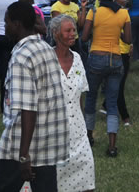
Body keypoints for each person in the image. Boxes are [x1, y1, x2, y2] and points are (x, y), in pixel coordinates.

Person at [0, 1, 68, 192]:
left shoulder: (21, 57)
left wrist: (24, 155)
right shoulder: (46, 48)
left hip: (22, 144)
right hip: (48, 140)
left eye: (6, 22)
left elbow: (28, 108)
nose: (4, 26)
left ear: (17, 25)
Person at [80, 0, 130, 156]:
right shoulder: (123, 13)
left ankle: (88, 136)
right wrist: (118, 32)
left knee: (91, 98)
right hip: (115, 59)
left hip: (96, 58)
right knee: (112, 101)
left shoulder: (94, 12)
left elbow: (84, 37)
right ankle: (112, 146)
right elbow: (128, 40)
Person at [50, 15, 95, 192]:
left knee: (86, 178)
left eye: (74, 30)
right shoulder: (47, 59)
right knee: (56, 181)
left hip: (78, 130)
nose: (72, 34)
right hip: (55, 131)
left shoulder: (77, 58)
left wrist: (82, 123)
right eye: (67, 30)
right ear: (55, 34)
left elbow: (80, 96)